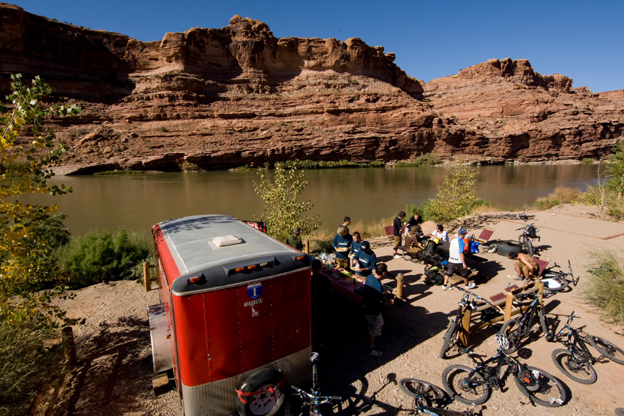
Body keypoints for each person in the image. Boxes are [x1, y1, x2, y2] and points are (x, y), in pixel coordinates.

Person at [362, 263, 388, 357]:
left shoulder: (369, 277)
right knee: (373, 328)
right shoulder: (378, 285)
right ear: (384, 273)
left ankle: (373, 339)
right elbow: (380, 302)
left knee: (377, 324)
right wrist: (390, 301)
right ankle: (371, 347)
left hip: (365, 304)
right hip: (373, 310)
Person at [311, 259, 331, 347]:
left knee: (314, 323)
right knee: (321, 323)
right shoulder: (325, 279)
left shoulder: (309, 280)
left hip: (313, 304)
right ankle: (320, 340)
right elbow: (330, 291)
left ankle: (313, 340)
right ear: (320, 268)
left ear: (311, 268)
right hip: (323, 304)